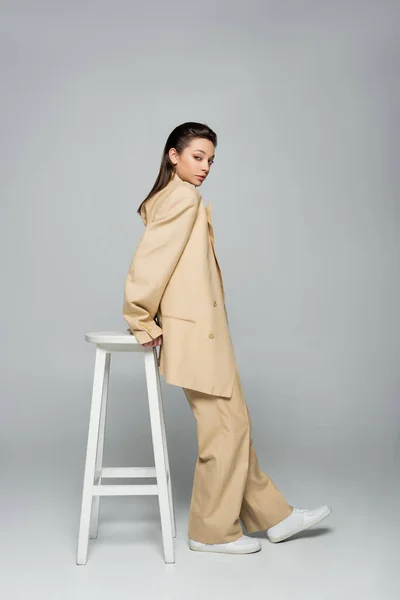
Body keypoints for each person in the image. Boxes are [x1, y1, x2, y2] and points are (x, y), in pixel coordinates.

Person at [123, 121, 331, 555]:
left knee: (230, 424)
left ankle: (274, 516)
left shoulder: (172, 197)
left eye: (211, 160)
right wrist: (140, 318)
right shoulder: (183, 197)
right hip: (197, 333)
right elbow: (151, 260)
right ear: (173, 155)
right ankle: (211, 532)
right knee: (226, 428)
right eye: (197, 157)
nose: (205, 167)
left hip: (201, 331)